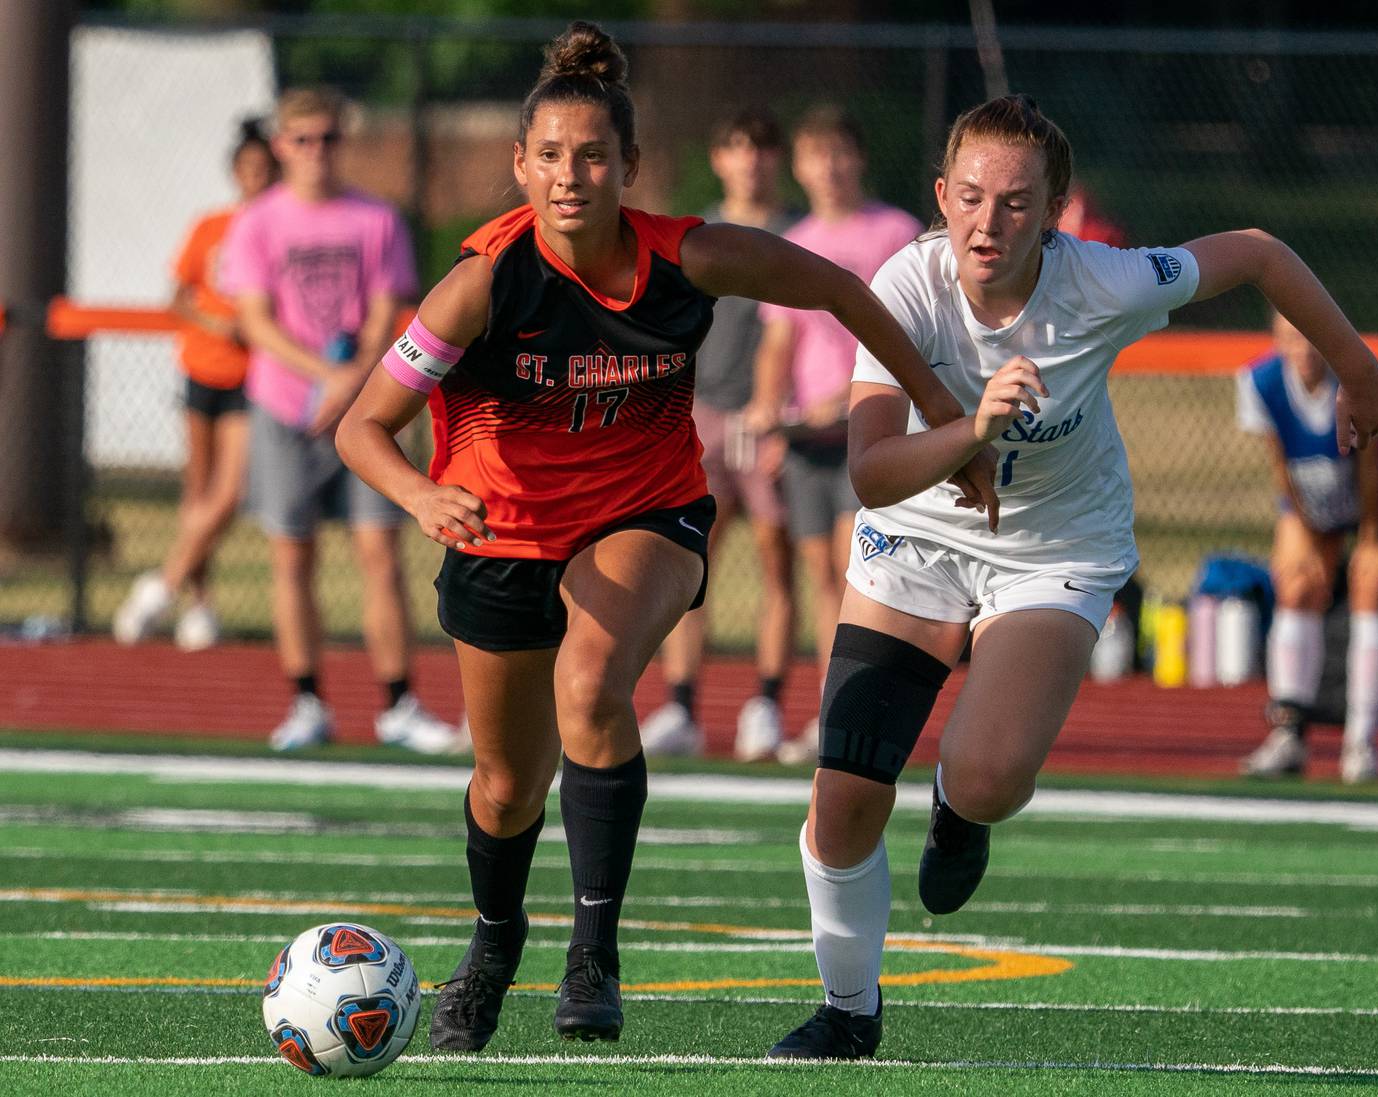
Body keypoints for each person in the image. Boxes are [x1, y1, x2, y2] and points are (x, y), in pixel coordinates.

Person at [334, 21, 990, 1052]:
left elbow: (843, 288)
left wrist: (945, 415)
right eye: (548, 156)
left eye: (593, 156)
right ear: (520, 165)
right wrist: (420, 497)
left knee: (591, 684)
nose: (570, 175)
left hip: (646, 513)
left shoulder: (689, 257)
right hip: (501, 535)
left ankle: (594, 952)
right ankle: (493, 949)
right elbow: (358, 426)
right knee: (507, 783)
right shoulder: (481, 283)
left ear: (630, 167)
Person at [766, 94, 1378, 1060]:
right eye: (972, 198)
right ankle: (848, 1011)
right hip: (916, 538)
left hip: (1054, 548)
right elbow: (871, 472)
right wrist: (972, 429)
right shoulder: (904, 284)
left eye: (1019, 204)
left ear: (1057, 215)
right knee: (845, 794)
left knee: (988, 776)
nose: (991, 223)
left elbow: (1262, 252)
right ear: (942, 197)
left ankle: (959, 809)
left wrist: (1356, 368)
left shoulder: (1105, 280)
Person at [223, 87, 456, 754]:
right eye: (303, 140)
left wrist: (352, 383)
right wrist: (320, 378)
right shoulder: (259, 222)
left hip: (365, 409)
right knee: (291, 555)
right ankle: (307, 700)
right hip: (284, 406)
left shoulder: (375, 219)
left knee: (380, 554)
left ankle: (397, 702)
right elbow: (255, 320)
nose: (316, 152)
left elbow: (390, 309)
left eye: (328, 138)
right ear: (280, 146)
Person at [747, 104, 923, 764]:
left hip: (867, 427)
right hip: (804, 442)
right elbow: (778, 336)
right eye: (818, 155)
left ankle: (860, 714)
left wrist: (846, 396)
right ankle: (832, 712)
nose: (831, 167)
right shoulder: (794, 239)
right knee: (821, 575)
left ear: (860, 159)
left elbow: (907, 329)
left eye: (841, 153)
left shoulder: (895, 232)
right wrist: (771, 411)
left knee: (860, 573)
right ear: (800, 167)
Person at [639, 107, 799, 762]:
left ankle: (766, 705)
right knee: (689, 563)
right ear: (719, 158)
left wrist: (781, 412)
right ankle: (681, 706)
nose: (751, 160)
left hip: (772, 421)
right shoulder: (697, 232)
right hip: (703, 415)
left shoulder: (798, 232)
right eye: (738, 147)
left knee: (777, 564)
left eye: (762, 147)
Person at [113, 118, 278, 650]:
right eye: (247, 168)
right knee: (198, 492)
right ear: (236, 172)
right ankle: (198, 604)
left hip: (252, 376)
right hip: (201, 366)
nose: (254, 177)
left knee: (229, 493)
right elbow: (178, 295)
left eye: (263, 169)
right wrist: (217, 324)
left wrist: (254, 329)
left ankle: (163, 583)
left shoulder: (279, 227)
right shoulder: (211, 226)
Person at [1237, 313, 1378, 784]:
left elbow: (1372, 467)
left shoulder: (1360, 375)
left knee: (1370, 585)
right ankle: (1289, 734)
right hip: (1315, 491)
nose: (1303, 346)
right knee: (1295, 586)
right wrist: (1305, 527)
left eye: (1310, 333)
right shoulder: (1259, 381)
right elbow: (1281, 462)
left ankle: (1361, 744)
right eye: (1291, 335)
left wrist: (1372, 537)